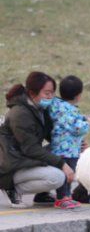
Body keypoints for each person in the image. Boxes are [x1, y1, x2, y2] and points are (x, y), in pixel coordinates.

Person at [0, 72, 74, 208]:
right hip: (11, 165)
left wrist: (72, 142)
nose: (51, 97)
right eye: (47, 93)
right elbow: (31, 148)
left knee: (65, 147)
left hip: (26, 158)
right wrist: (62, 164)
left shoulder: (40, 108)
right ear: (32, 93)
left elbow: (53, 135)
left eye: (52, 93)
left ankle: (42, 194)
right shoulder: (20, 114)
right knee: (56, 177)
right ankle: (11, 188)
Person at [46, 75, 90, 209]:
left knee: (66, 175)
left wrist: (81, 117)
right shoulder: (70, 109)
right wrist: (87, 122)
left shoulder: (57, 105)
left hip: (59, 147)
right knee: (68, 175)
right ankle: (62, 198)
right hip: (68, 150)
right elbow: (78, 128)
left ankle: (66, 196)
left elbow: (67, 120)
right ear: (78, 95)